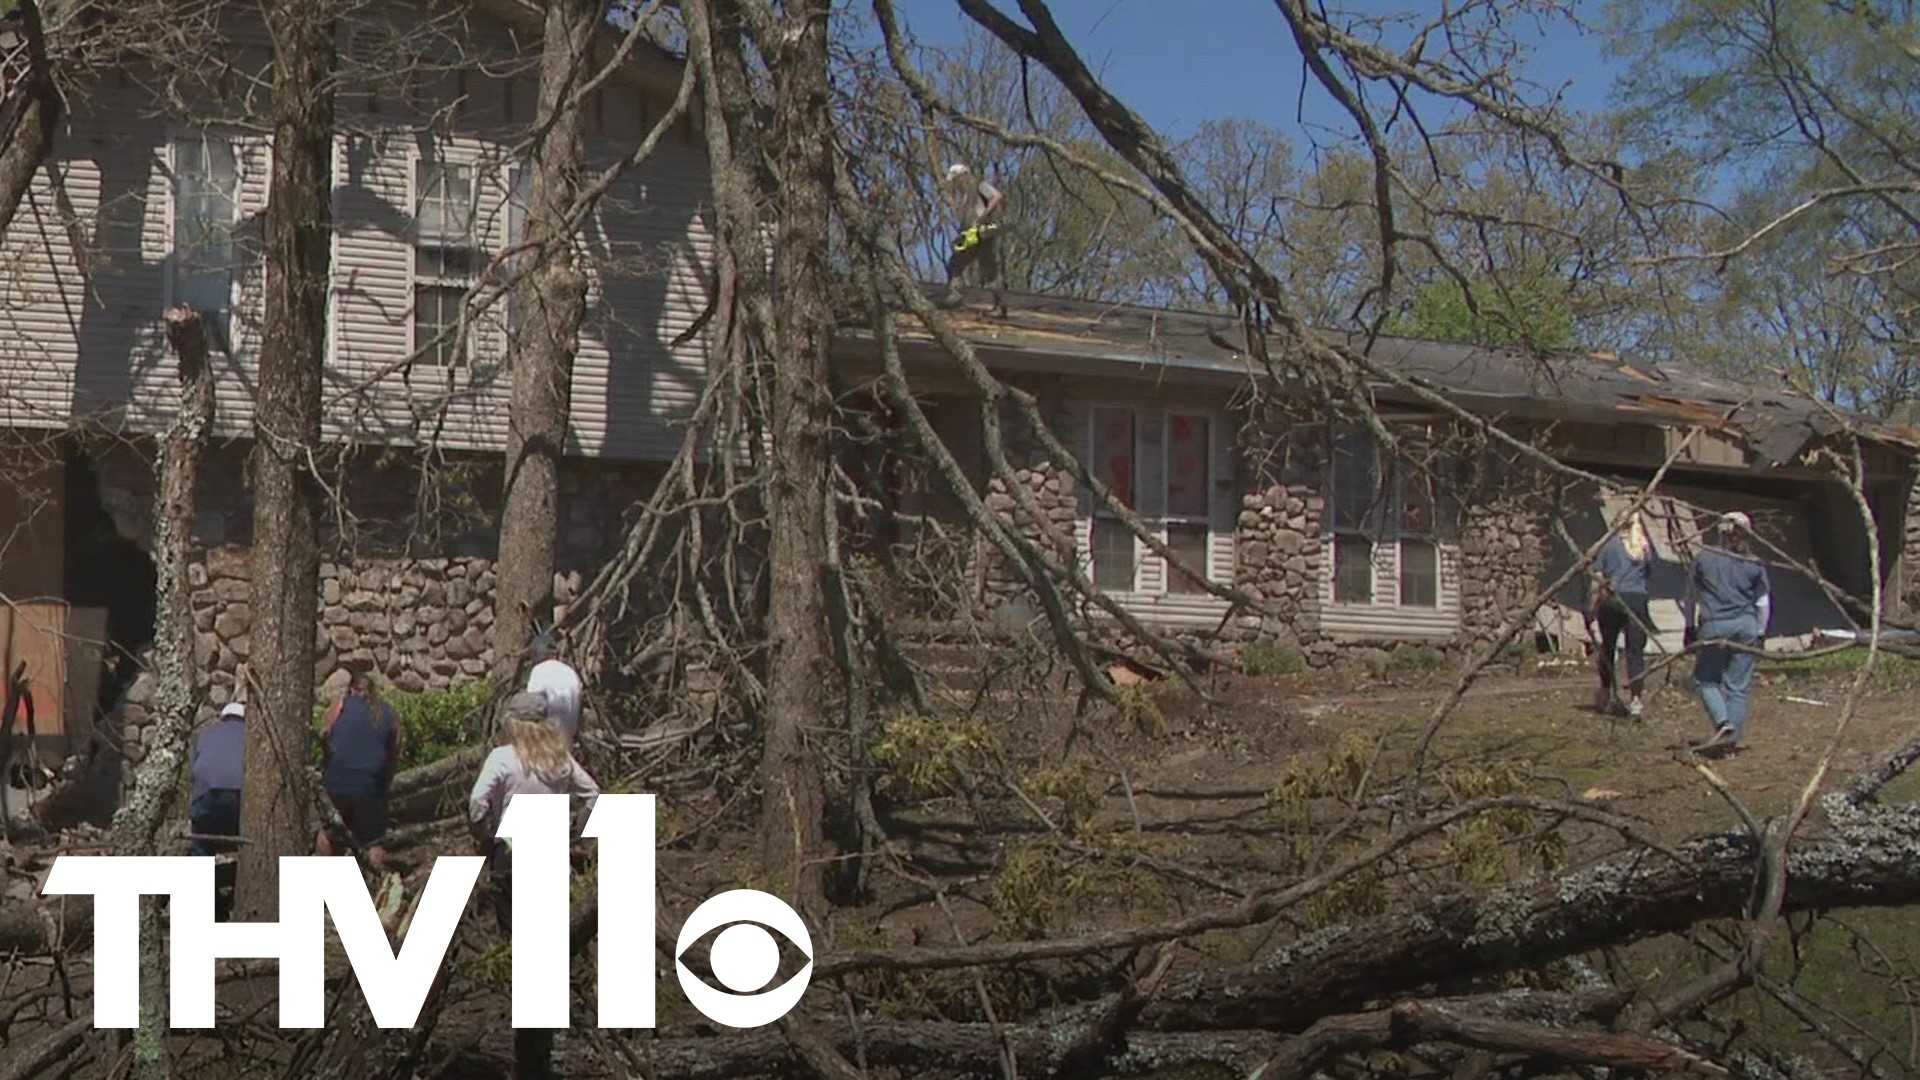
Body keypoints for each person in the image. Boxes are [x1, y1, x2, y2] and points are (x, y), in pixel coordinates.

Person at [468, 693, 601, 933]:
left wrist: (482, 836)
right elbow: (593, 793)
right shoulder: (560, 758)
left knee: (512, 932)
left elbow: (478, 800)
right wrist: (577, 832)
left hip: (511, 849)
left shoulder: (502, 757)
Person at [1682, 511, 1772, 756]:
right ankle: (1730, 747)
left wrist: (1689, 628)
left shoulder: (1703, 559)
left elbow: (1690, 598)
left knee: (1706, 680)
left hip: (1714, 625)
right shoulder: (1754, 563)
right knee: (1739, 688)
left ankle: (1723, 723)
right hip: (1746, 626)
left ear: (1719, 531)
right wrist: (1761, 633)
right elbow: (1763, 602)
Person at [317, 672, 402, 869]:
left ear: (351, 690)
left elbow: (326, 739)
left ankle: (324, 883)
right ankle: (373, 885)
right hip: (369, 785)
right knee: (374, 841)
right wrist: (383, 787)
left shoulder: (339, 706)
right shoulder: (390, 713)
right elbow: (393, 755)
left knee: (328, 834)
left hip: (336, 783)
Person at [1590, 513, 1656, 718]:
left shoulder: (1609, 545)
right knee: (1635, 652)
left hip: (1612, 597)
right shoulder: (1644, 546)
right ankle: (1636, 700)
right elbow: (1649, 574)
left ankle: (1607, 691)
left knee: (1608, 646)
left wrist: (1592, 603)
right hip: (1637, 600)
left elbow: (1598, 575)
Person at [940, 163, 1005, 311]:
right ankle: (957, 296)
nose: (955, 184)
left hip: (980, 231)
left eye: (956, 179)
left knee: (984, 269)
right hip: (971, 233)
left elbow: (997, 196)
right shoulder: (964, 196)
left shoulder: (979, 186)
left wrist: (984, 215)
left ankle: (998, 304)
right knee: (957, 264)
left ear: (963, 176)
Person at [188, 702, 246, 857]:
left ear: (223, 718)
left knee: (201, 839)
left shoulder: (205, 734)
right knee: (248, 838)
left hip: (206, 798)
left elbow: (192, 774)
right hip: (240, 800)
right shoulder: (252, 735)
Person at [525, 632, 583, 745]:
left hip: (546, 741)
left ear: (538, 653)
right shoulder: (570, 672)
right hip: (568, 741)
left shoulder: (539, 671)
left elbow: (532, 708)